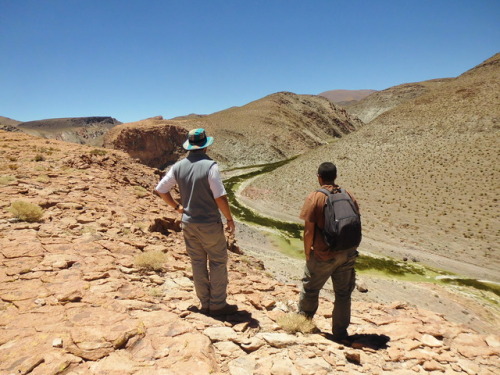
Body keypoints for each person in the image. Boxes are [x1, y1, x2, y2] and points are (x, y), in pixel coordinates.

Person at [154, 128, 238, 316]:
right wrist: (229, 219)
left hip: (188, 223)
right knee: (217, 261)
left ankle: (204, 304)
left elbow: (161, 189)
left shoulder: (178, 166)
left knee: (198, 262)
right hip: (209, 223)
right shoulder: (211, 166)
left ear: (190, 147)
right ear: (206, 146)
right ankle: (217, 305)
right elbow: (220, 197)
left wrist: (177, 208)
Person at [298, 162, 359, 342]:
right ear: (335, 176)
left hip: (324, 254)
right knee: (343, 294)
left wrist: (308, 252)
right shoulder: (348, 195)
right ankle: (340, 333)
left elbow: (309, 230)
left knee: (310, 289)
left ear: (319, 177)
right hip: (347, 252)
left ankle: (303, 323)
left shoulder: (315, 197)